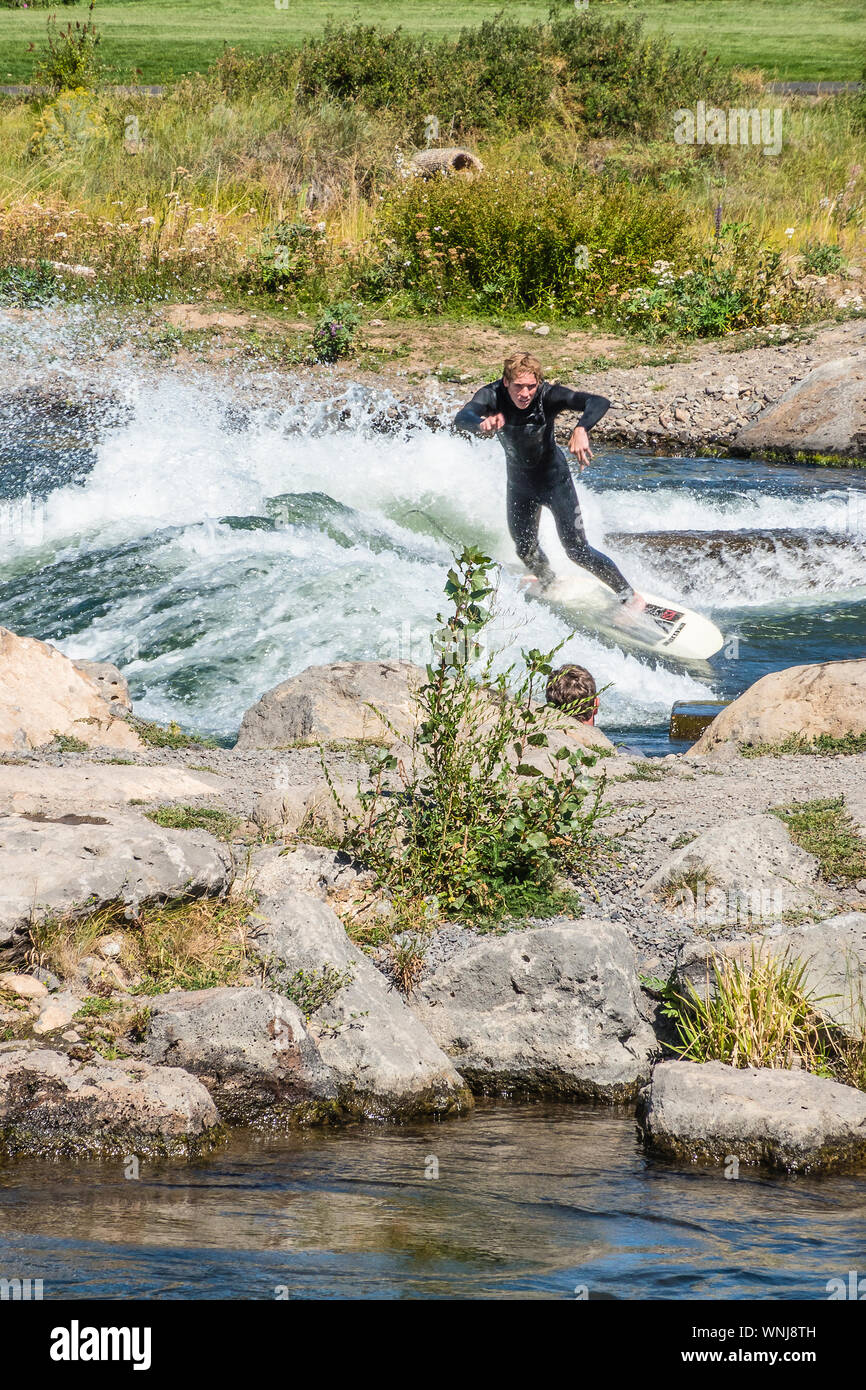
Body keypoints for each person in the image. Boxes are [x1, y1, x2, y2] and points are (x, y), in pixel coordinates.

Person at [453, 352, 645, 614]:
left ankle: (630, 597)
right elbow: (462, 417)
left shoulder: (548, 396)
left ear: (538, 384)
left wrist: (581, 428)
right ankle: (547, 581)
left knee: (578, 551)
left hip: (555, 483)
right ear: (506, 382)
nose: (525, 393)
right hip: (520, 485)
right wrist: (480, 423)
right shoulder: (491, 396)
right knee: (525, 549)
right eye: (519, 387)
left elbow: (598, 401)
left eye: (531, 386)